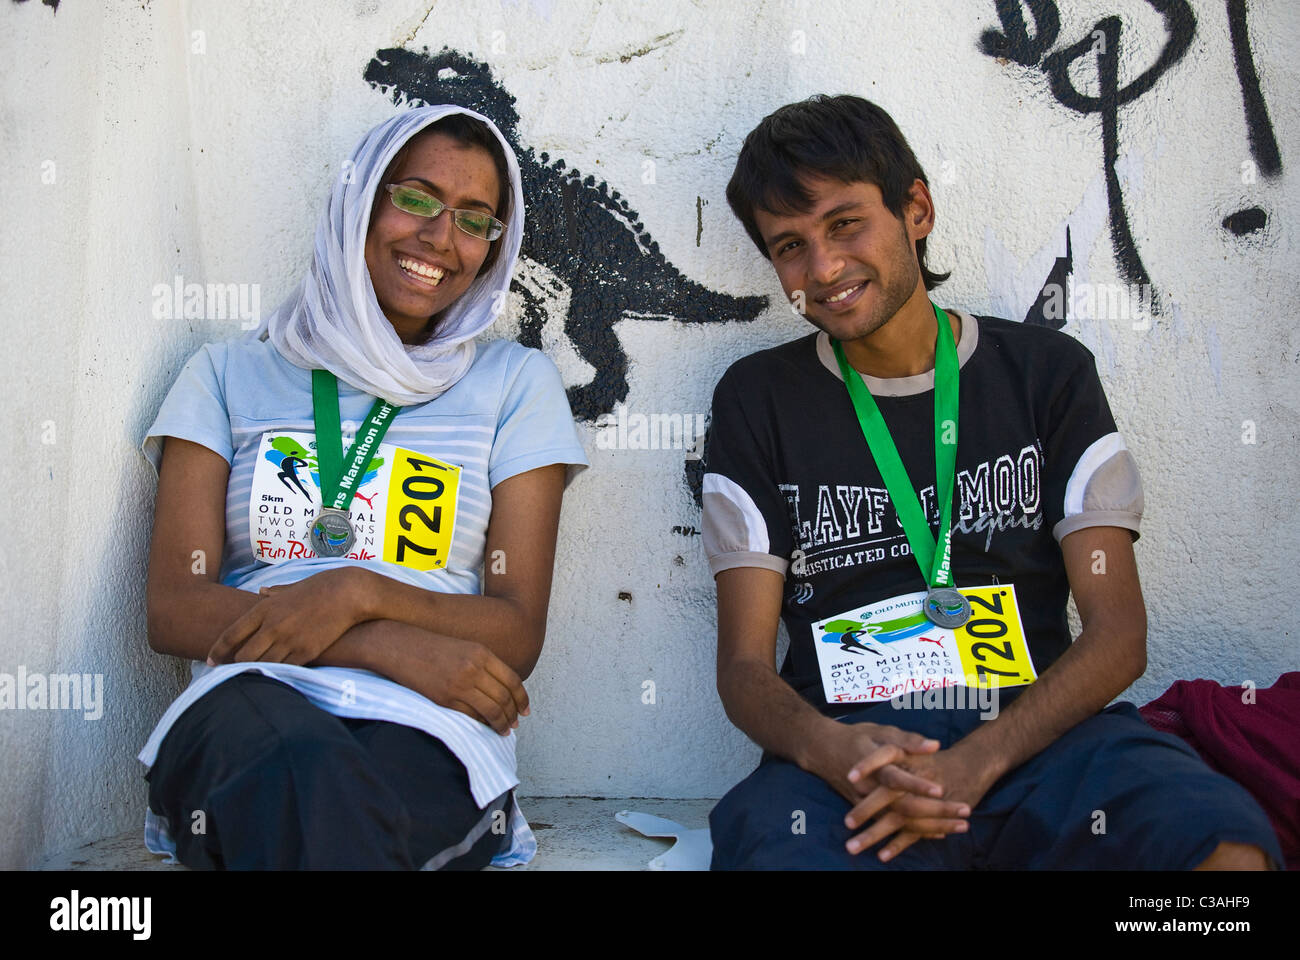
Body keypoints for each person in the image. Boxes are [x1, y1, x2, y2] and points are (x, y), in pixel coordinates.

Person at [701, 94, 1282, 870]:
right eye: (789, 247)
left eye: (845, 224)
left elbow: (1118, 636)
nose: (824, 268)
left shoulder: (1044, 373)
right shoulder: (757, 399)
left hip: (1041, 744)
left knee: (1223, 854)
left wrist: (979, 761)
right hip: (852, 763)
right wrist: (827, 748)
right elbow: (742, 669)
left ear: (916, 208)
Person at [139, 104, 588, 870]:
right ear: (361, 202)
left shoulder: (515, 385)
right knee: (305, 779)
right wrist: (380, 639)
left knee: (338, 814)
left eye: (476, 220)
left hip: (431, 720)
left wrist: (361, 590)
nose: (440, 238)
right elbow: (177, 607)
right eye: (414, 199)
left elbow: (515, 630)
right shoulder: (225, 374)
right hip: (250, 698)